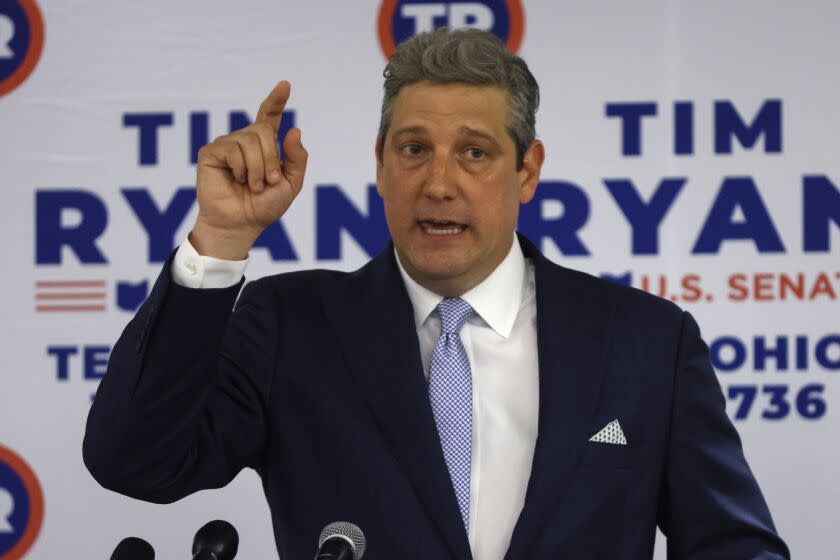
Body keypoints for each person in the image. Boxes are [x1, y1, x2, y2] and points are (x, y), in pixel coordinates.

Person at [83, 29, 789, 559]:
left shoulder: (647, 342)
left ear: (527, 171)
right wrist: (219, 240)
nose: (440, 183)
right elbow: (137, 462)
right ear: (381, 166)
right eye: (414, 149)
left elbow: (734, 547)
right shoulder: (289, 325)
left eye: (475, 152)